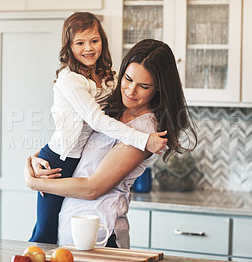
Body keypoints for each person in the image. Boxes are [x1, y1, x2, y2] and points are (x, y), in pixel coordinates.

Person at [25, 39, 197, 248]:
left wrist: (36, 183)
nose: (131, 91)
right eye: (128, 79)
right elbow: (71, 140)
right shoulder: (110, 107)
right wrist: (37, 160)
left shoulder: (145, 130)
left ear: (159, 89)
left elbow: (93, 188)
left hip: (102, 234)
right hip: (72, 229)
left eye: (143, 86)